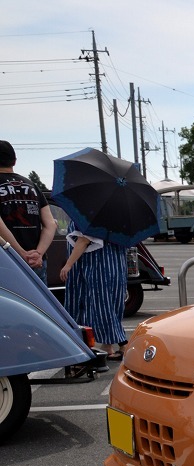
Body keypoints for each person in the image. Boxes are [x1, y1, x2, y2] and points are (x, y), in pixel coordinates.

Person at [60, 228, 128, 360]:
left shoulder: (89, 215)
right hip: (116, 264)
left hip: (97, 265)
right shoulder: (119, 216)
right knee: (111, 304)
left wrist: (68, 264)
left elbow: (83, 240)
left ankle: (118, 342)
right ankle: (110, 344)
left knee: (99, 304)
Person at [0, 140, 56, 282]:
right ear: (15, 161)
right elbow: (50, 224)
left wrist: (20, 253)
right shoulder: (32, 185)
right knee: (37, 304)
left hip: (6, 260)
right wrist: (38, 253)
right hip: (37, 262)